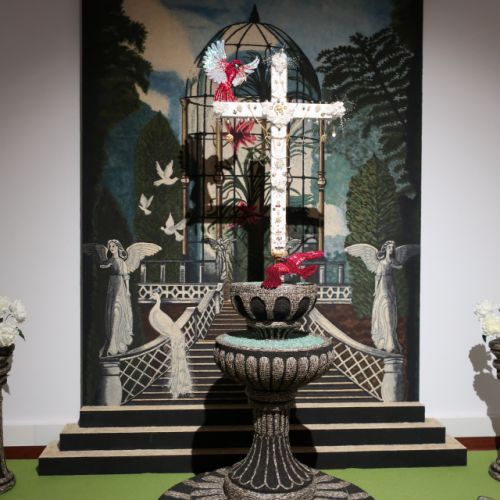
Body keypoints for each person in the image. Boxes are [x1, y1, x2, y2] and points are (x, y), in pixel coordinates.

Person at [345, 241, 419, 354]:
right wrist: (376, 290)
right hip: (383, 285)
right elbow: (377, 277)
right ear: (385, 249)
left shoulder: (392, 260)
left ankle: (391, 339)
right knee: (386, 308)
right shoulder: (381, 262)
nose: (391, 249)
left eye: (392, 247)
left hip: (390, 285)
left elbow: (398, 265)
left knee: (391, 310)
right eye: (389, 247)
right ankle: (388, 341)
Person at [100, 240, 134, 356]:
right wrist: (104, 265)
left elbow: (126, 276)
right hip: (111, 285)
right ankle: (111, 341)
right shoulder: (111, 260)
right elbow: (105, 265)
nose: (111, 248)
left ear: (118, 247)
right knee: (111, 312)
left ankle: (115, 343)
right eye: (110, 246)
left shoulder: (122, 262)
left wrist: (128, 290)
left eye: (113, 246)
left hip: (119, 285)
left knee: (117, 310)